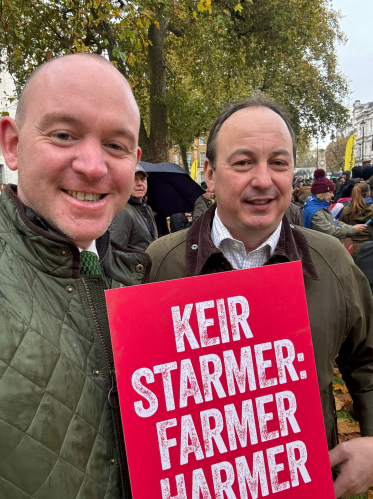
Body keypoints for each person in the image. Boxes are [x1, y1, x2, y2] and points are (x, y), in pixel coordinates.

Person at [146, 94, 373, 499]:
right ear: (211, 177)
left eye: (279, 163)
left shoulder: (332, 261)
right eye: (244, 162)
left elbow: (368, 358)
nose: (264, 179)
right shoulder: (157, 265)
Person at [0, 53, 151, 498]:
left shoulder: (143, 276)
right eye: (64, 135)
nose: (92, 166)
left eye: (116, 145)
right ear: (12, 143)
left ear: (134, 160)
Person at [302, 169, 366, 240]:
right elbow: (330, 231)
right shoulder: (315, 211)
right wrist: (353, 229)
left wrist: (352, 227)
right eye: (330, 192)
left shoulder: (318, 205)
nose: (332, 195)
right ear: (322, 193)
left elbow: (333, 222)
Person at [110, 163, 158, 251]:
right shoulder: (123, 211)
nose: (140, 183)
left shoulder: (147, 209)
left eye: (143, 179)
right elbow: (116, 253)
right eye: (133, 179)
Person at [339, 183, 373, 257]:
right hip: (369, 249)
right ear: (368, 193)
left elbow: (339, 229)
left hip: (350, 249)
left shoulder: (345, 210)